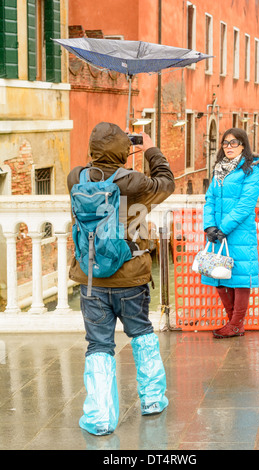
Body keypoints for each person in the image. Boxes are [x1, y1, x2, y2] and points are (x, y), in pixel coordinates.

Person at [67, 122, 175, 435]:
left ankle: (100, 418)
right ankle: (153, 399)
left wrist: (113, 152)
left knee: (98, 345)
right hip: (131, 277)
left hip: (92, 279)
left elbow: (96, 171)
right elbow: (166, 183)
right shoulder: (135, 182)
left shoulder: (76, 177)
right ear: (124, 151)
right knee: (141, 333)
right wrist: (150, 148)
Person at [203, 128, 259, 339]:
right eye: (225, 143)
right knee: (218, 277)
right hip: (217, 234)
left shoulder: (251, 171)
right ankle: (233, 323)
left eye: (234, 143)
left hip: (239, 233)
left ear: (243, 146)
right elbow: (209, 199)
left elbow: (245, 205)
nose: (229, 147)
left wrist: (223, 228)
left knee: (239, 279)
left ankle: (236, 324)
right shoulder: (219, 169)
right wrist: (209, 226)